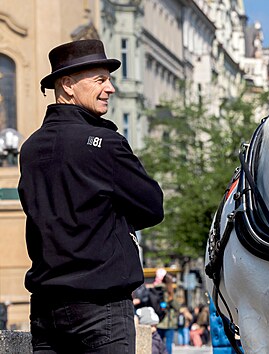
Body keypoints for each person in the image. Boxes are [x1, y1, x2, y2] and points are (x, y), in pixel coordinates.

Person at [18, 39, 164, 353]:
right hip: (101, 307)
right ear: (67, 85)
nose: (110, 88)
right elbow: (153, 207)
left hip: (46, 310)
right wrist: (115, 214)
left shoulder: (29, 149)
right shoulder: (104, 143)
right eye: (100, 80)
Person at [156, 272, 181, 354]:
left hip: (159, 320)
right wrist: (171, 299)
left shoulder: (157, 290)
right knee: (168, 343)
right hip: (170, 322)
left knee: (158, 342)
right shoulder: (171, 291)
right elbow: (177, 307)